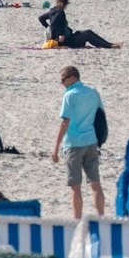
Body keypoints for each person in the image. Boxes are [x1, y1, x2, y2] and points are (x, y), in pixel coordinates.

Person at [51, 65, 105, 218]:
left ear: (72, 77)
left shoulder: (70, 95)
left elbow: (65, 122)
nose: (62, 83)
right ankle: (101, 217)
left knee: (75, 187)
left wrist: (55, 147)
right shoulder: (93, 92)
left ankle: (77, 220)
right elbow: (100, 116)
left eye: (63, 80)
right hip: (91, 141)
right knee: (96, 183)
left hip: (74, 144)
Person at [39, 0, 121, 49]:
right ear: (64, 4)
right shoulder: (60, 12)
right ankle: (109, 46)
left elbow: (41, 18)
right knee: (87, 34)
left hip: (67, 38)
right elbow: (54, 23)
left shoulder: (52, 10)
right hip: (67, 41)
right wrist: (60, 34)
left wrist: (48, 28)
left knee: (88, 32)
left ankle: (109, 44)